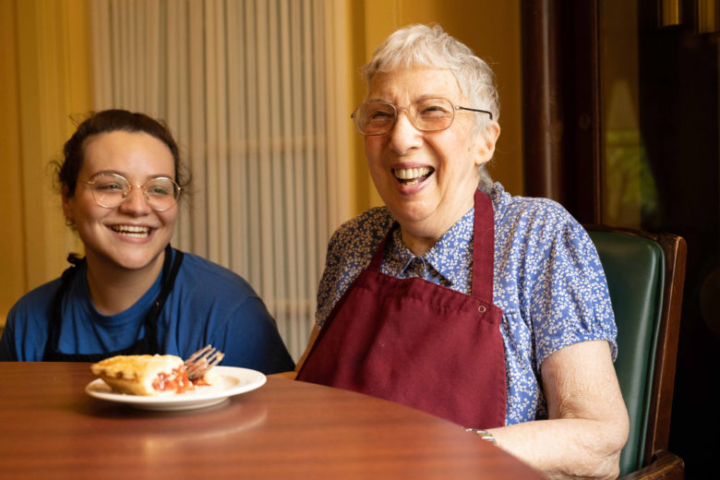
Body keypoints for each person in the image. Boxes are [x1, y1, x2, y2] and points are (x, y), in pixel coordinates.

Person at [295, 24, 629, 479]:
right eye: (380, 115)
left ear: (484, 140)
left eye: (432, 111)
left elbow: (598, 439)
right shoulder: (354, 241)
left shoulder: (538, 236)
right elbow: (307, 395)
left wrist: (449, 452)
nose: (400, 138)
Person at [0, 109, 294, 374]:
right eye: (111, 185)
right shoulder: (29, 321)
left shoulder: (228, 312)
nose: (138, 207)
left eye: (158, 188)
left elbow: (283, 427)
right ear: (68, 198)